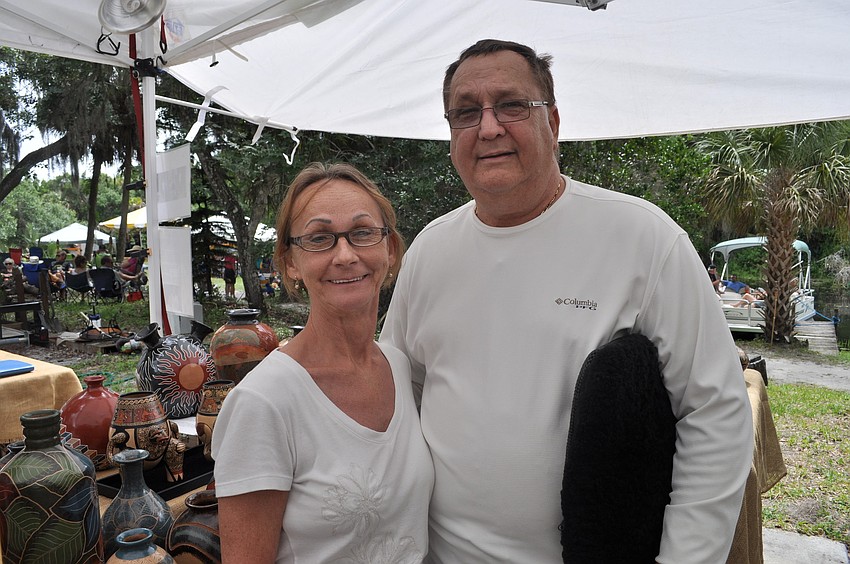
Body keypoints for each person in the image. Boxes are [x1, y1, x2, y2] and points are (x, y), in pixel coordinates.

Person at [379, 39, 753, 563]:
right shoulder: (430, 250)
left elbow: (714, 410)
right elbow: (397, 395)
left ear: (552, 123)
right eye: (466, 112)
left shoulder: (642, 238)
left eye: (511, 105)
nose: (488, 128)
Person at [212, 162, 434, 563]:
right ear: (290, 262)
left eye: (363, 233)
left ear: (391, 249)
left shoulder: (400, 368)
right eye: (320, 238)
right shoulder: (263, 403)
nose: (345, 255)